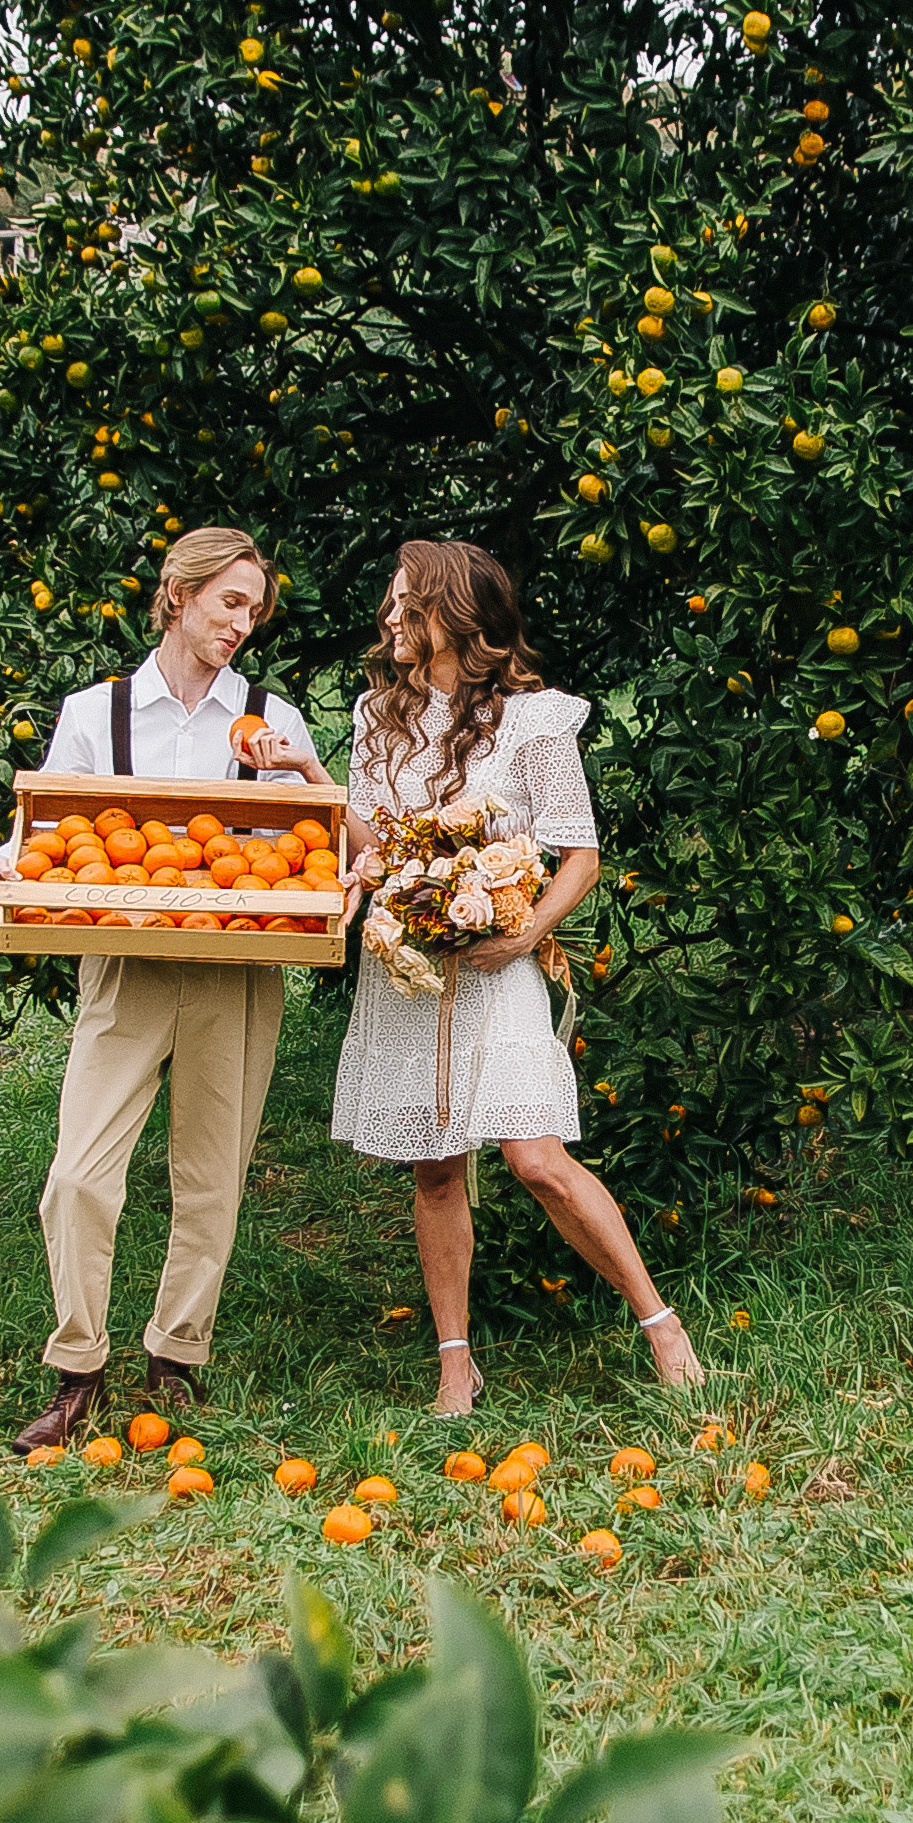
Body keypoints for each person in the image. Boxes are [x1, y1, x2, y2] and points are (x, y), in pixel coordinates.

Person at [331, 536, 703, 1414]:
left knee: (536, 1158)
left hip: (498, 966)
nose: (387, 617)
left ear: (448, 615)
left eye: (402, 603)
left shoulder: (531, 723)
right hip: (410, 968)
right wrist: (317, 785)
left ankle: (661, 1324)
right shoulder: (373, 720)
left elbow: (580, 854)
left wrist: (521, 929)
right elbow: (374, 849)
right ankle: (454, 1364)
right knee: (432, 1168)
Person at [9, 526, 326, 1452]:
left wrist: (298, 779)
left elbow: (317, 850)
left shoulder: (271, 717)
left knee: (212, 1178)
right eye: (230, 602)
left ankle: (176, 1356)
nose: (243, 623)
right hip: (125, 968)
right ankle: (77, 1369)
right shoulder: (98, 714)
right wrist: (6, 867)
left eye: (255, 609)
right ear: (176, 596)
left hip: (237, 970)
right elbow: (45, 829)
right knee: (77, 1175)